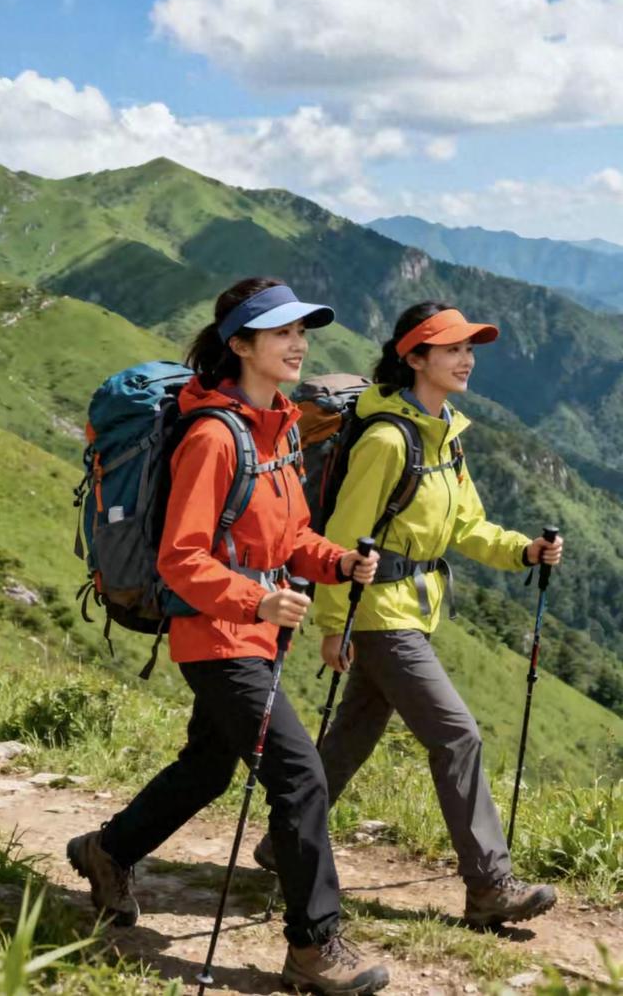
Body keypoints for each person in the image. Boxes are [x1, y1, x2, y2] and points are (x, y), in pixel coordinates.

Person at [67, 277, 390, 995]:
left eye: (302, 331)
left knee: (209, 767)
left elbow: (289, 533)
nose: (298, 344)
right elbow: (181, 560)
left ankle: (106, 850)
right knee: (300, 775)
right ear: (239, 343)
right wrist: (258, 600)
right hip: (217, 639)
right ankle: (314, 947)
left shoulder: (276, 426)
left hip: (256, 633)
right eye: (280, 333)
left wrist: (334, 561)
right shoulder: (214, 436)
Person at [255, 300, 564, 928]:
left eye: (469, 350)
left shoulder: (444, 434)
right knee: (457, 735)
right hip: (378, 615)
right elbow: (345, 540)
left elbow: (468, 526)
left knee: (353, 734)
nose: (466, 360)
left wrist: (524, 551)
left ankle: (279, 844)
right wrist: (332, 625)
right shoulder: (388, 440)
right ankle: (489, 885)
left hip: (410, 612)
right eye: (452, 349)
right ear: (414, 357)